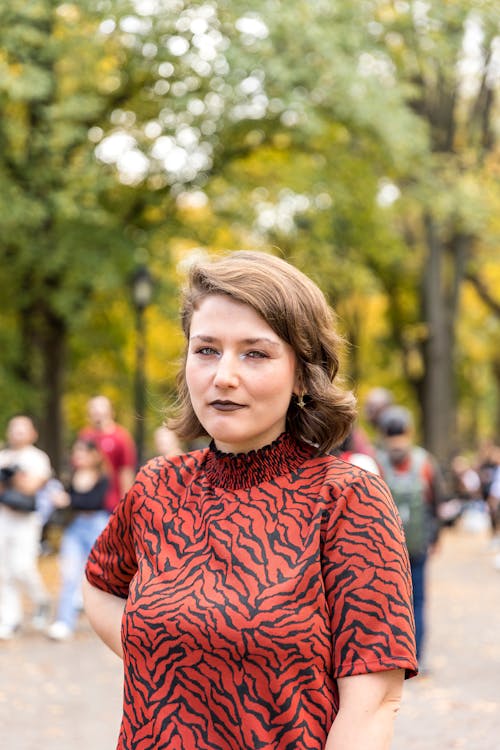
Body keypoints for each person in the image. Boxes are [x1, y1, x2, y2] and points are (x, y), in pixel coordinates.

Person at [83, 251, 417, 750]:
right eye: (207, 350)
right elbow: (100, 586)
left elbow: (373, 704)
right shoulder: (157, 487)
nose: (224, 376)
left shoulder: (347, 499)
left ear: (303, 375)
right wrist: (169, 657)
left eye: (255, 353)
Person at [376, 405, 443, 669]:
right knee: (418, 602)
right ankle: (417, 658)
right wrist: (435, 538)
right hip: (417, 546)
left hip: (386, 548)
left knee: (389, 602)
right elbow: (436, 503)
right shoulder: (424, 462)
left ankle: (392, 656)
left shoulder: (378, 461)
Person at [46, 439, 109, 641]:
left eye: (81, 452)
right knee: (69, 572)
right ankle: (64, 621)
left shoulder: (103, 477)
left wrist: (69, 500)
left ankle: (106, 621)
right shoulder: (72, 476)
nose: (78, 456)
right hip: (75, 527)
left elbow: (95, 501)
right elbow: (68, 503)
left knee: (101, 575)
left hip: (97, 526)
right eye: (76, 452)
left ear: (93, 455)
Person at [0, 415, 52, 639]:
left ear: (33, 433)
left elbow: (31, 487)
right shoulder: (3, 455)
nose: (17, 433)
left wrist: (13, 474)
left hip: (27, 520)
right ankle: (10, 619)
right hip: (5, 517)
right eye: (14, 429)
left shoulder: (38, 458)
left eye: (22, 429)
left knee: (22, 567)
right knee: (4, 571)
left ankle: (41, 599)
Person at [79, 395, 136, 513]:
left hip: (111, 503)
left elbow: (126, 472)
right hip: (88, 504)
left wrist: (126, 505)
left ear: (110, 412)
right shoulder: (85, 436)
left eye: (100, 410)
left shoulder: (120, 437)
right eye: (93, 410)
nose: (97, 413)